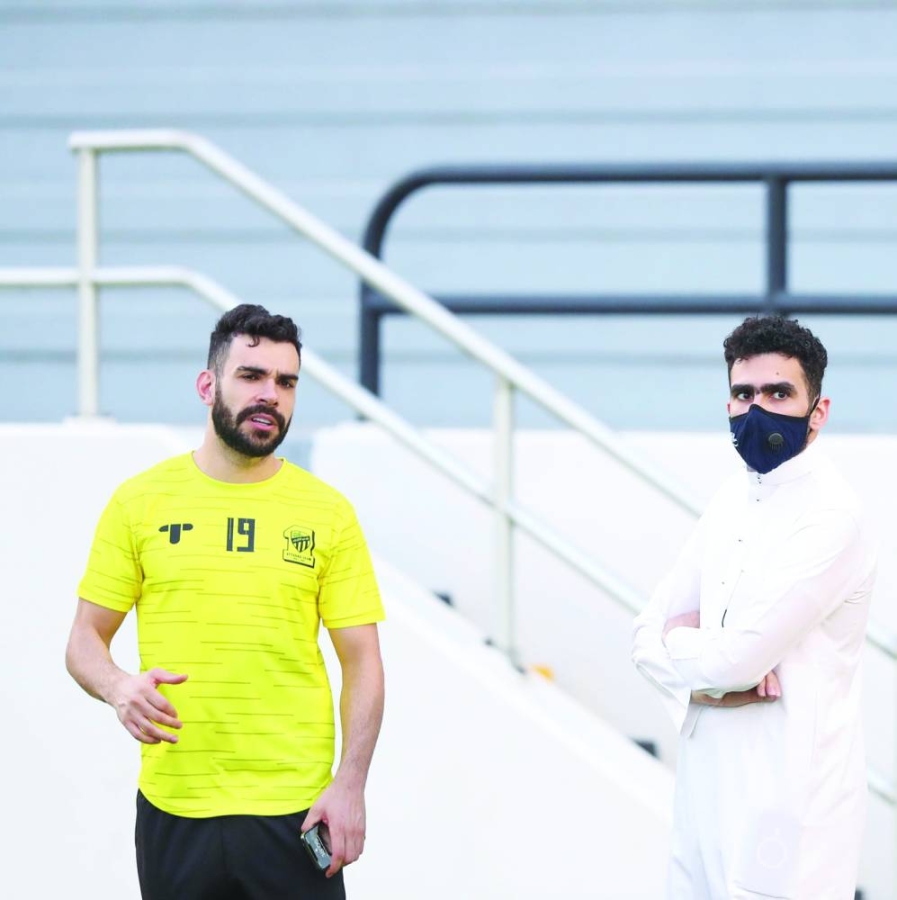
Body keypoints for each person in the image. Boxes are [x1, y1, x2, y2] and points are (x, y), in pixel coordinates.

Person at [66, 304, 386, 900]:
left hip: (296, 811)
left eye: (286, 382)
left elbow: (363, 660)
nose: (270, 394)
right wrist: (117, 686)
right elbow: (84, 640)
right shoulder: (139, 503)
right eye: (251, 376)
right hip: (176, 805)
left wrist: (351, 783)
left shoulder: (328, 513)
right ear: (207, 385)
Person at [631, 315, 876, 900]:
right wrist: (698, 662)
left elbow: (735, 664)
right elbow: (643, 635)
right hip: (703, 799)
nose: (757, 409)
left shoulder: (833, 517)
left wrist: (683, 652)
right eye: (744, 394)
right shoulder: (730, 498)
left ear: (818, 412)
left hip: (789, 816)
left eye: (778, 393)